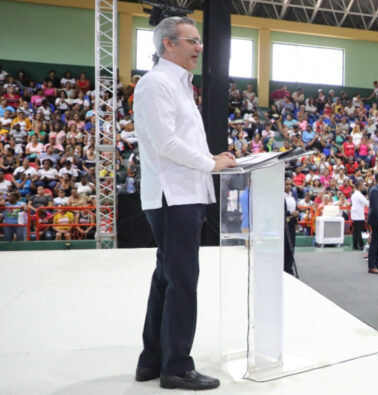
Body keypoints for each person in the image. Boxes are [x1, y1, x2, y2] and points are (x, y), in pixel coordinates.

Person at [134, 16, 236, 390]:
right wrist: (211, 163)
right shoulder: (158, 83)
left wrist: (211, 156)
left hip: (182, 194)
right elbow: (166, 144)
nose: (199, 48)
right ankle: (176, 366)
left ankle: (152, 360)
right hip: (172, 197)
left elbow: (180, 142)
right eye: (192, 41)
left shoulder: (176, 85)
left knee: (167, 278)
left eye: (199, 41)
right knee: (182, 282)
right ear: (167, 45)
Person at [350, 182, 369, 251]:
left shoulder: (354, 194)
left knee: (355, 230)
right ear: (359, 186)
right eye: (361, 185)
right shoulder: (359, 195)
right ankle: (360, 244)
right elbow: (366, 203)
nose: (362, 187)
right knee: (359, 230)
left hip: (355, 214)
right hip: (359, 214)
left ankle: (355, 244)